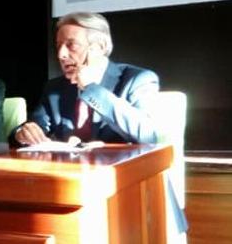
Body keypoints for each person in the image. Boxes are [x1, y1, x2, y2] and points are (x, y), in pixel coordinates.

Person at [13, 12, 159, 146]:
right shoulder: (54, 88)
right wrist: (23, 133)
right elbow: (36, 125)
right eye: (59, 46)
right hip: (67, 165)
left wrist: (91, 89)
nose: (61, 54)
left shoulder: (138, 79)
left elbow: (146, 135)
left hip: (120, 165)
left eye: (71, 45)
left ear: (99, 47)